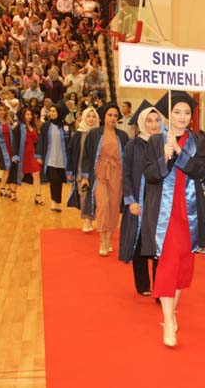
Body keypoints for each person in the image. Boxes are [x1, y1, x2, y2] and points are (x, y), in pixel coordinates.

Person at [141, 91, 205, 347]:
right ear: (168, 114)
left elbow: (201, 172)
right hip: (164, 211)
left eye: (186, 112)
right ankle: (169, 321)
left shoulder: (198, 141)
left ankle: (170, 313)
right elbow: (149, 175)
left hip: (189, 210)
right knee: (168, 263)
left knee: (183, 264)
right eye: (177, 112)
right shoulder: (155, 141)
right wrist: (165, 157)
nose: (182, 117)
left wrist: (181, 152)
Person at [119, 105, 164, 295]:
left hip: (159, 201)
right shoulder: (133, 145)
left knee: (158, 245)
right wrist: (131, 201)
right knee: (139, 243)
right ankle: (143, 285)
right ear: (141, 123)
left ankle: (161, 288)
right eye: (149, 120)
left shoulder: (165, 144)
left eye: (157, 120)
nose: (153, 124)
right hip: (139, 199)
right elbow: (126, 175)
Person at [80, 103, 129, 256]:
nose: (112, 118)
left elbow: (128, 158)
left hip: (117, 175)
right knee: (102, 205)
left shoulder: (123, 136)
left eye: (115, 115)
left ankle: (109, 238)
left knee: (114, 207)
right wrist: (85, 177)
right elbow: (86, 156)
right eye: (110, 115)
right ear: (104, 116)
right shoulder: (94, 134)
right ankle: (102, 239)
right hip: (99, 174)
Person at [66, 106, 99, 231]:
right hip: (80, 170)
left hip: (96, 171)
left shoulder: (100, 134)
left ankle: (92, 219)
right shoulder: (78, 135)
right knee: (84, 194)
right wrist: (69, 170)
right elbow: (70, 153)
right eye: (88, 116)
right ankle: (86, 220)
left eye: (94, 116)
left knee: (95, 196)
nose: (91, 119)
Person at [36, 103, 71, 212]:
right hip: (50, 158)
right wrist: (39, 156)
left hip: (61, 158)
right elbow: (40, 141)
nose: (52, 113)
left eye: (54, 111)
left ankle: (58, 203)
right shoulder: (46, 126)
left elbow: (69, 143)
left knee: (59, 180)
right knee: (53, 179)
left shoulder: (65, 126)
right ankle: (53, 202)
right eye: (50, 111)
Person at [12, 107, 43, 204]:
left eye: (30, 114)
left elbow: (37, 142)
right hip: (22, 154)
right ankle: (13, 192)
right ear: (23, 116)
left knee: (36, 174)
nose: (29, 116)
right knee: (19, 175)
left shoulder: (34, 127)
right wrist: (15, 155)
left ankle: (38, 196)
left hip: (33, 154)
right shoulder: (18, 127)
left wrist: (39, 155)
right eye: (27, 114)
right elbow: (15, 142)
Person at [0, 104, 17, 200]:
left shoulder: (9, 122)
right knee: (6, 168)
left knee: (10, 169)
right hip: (1, 149)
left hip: (10, 148)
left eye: (4, 110)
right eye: (0, 110)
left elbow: (14, 134)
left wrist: (12, 124)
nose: (2, 112)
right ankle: (2, 188)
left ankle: (8, 189)